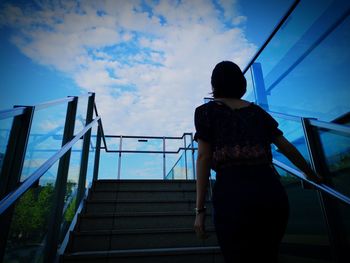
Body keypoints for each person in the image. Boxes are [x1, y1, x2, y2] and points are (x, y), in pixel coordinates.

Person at [193, 61, 323, 263]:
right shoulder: (257, 112)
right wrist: (311, 174)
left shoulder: (205, 112)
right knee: (268, 255)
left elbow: (203, 157)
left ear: (214, 84)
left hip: (232, 194)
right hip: (269, 191)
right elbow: (286, 147)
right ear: (241, 83)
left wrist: (200, 210)